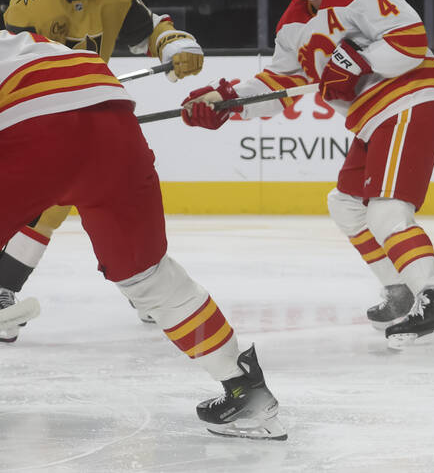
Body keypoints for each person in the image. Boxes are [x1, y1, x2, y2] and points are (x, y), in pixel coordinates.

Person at [179, 0, 434, 350]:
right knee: (346, 204)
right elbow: (280, 86)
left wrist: (359, 61)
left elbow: (410, 38)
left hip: (411, 100)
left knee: (387, 214)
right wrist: (227, 102)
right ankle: (401, 290)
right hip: (373, 118)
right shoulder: (293, 23)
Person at [0, 30, 285, 439]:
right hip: (114, 120)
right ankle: (246, 391)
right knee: (148, 276)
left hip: (36, 129)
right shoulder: (29, 39)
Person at [0, 0, 204, 331]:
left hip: (89, 108)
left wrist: (173, 45)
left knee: (118, 199)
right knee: (49, 206)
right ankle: (148, 288)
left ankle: (146, 285)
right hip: (39, 112)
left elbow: (148, 27)